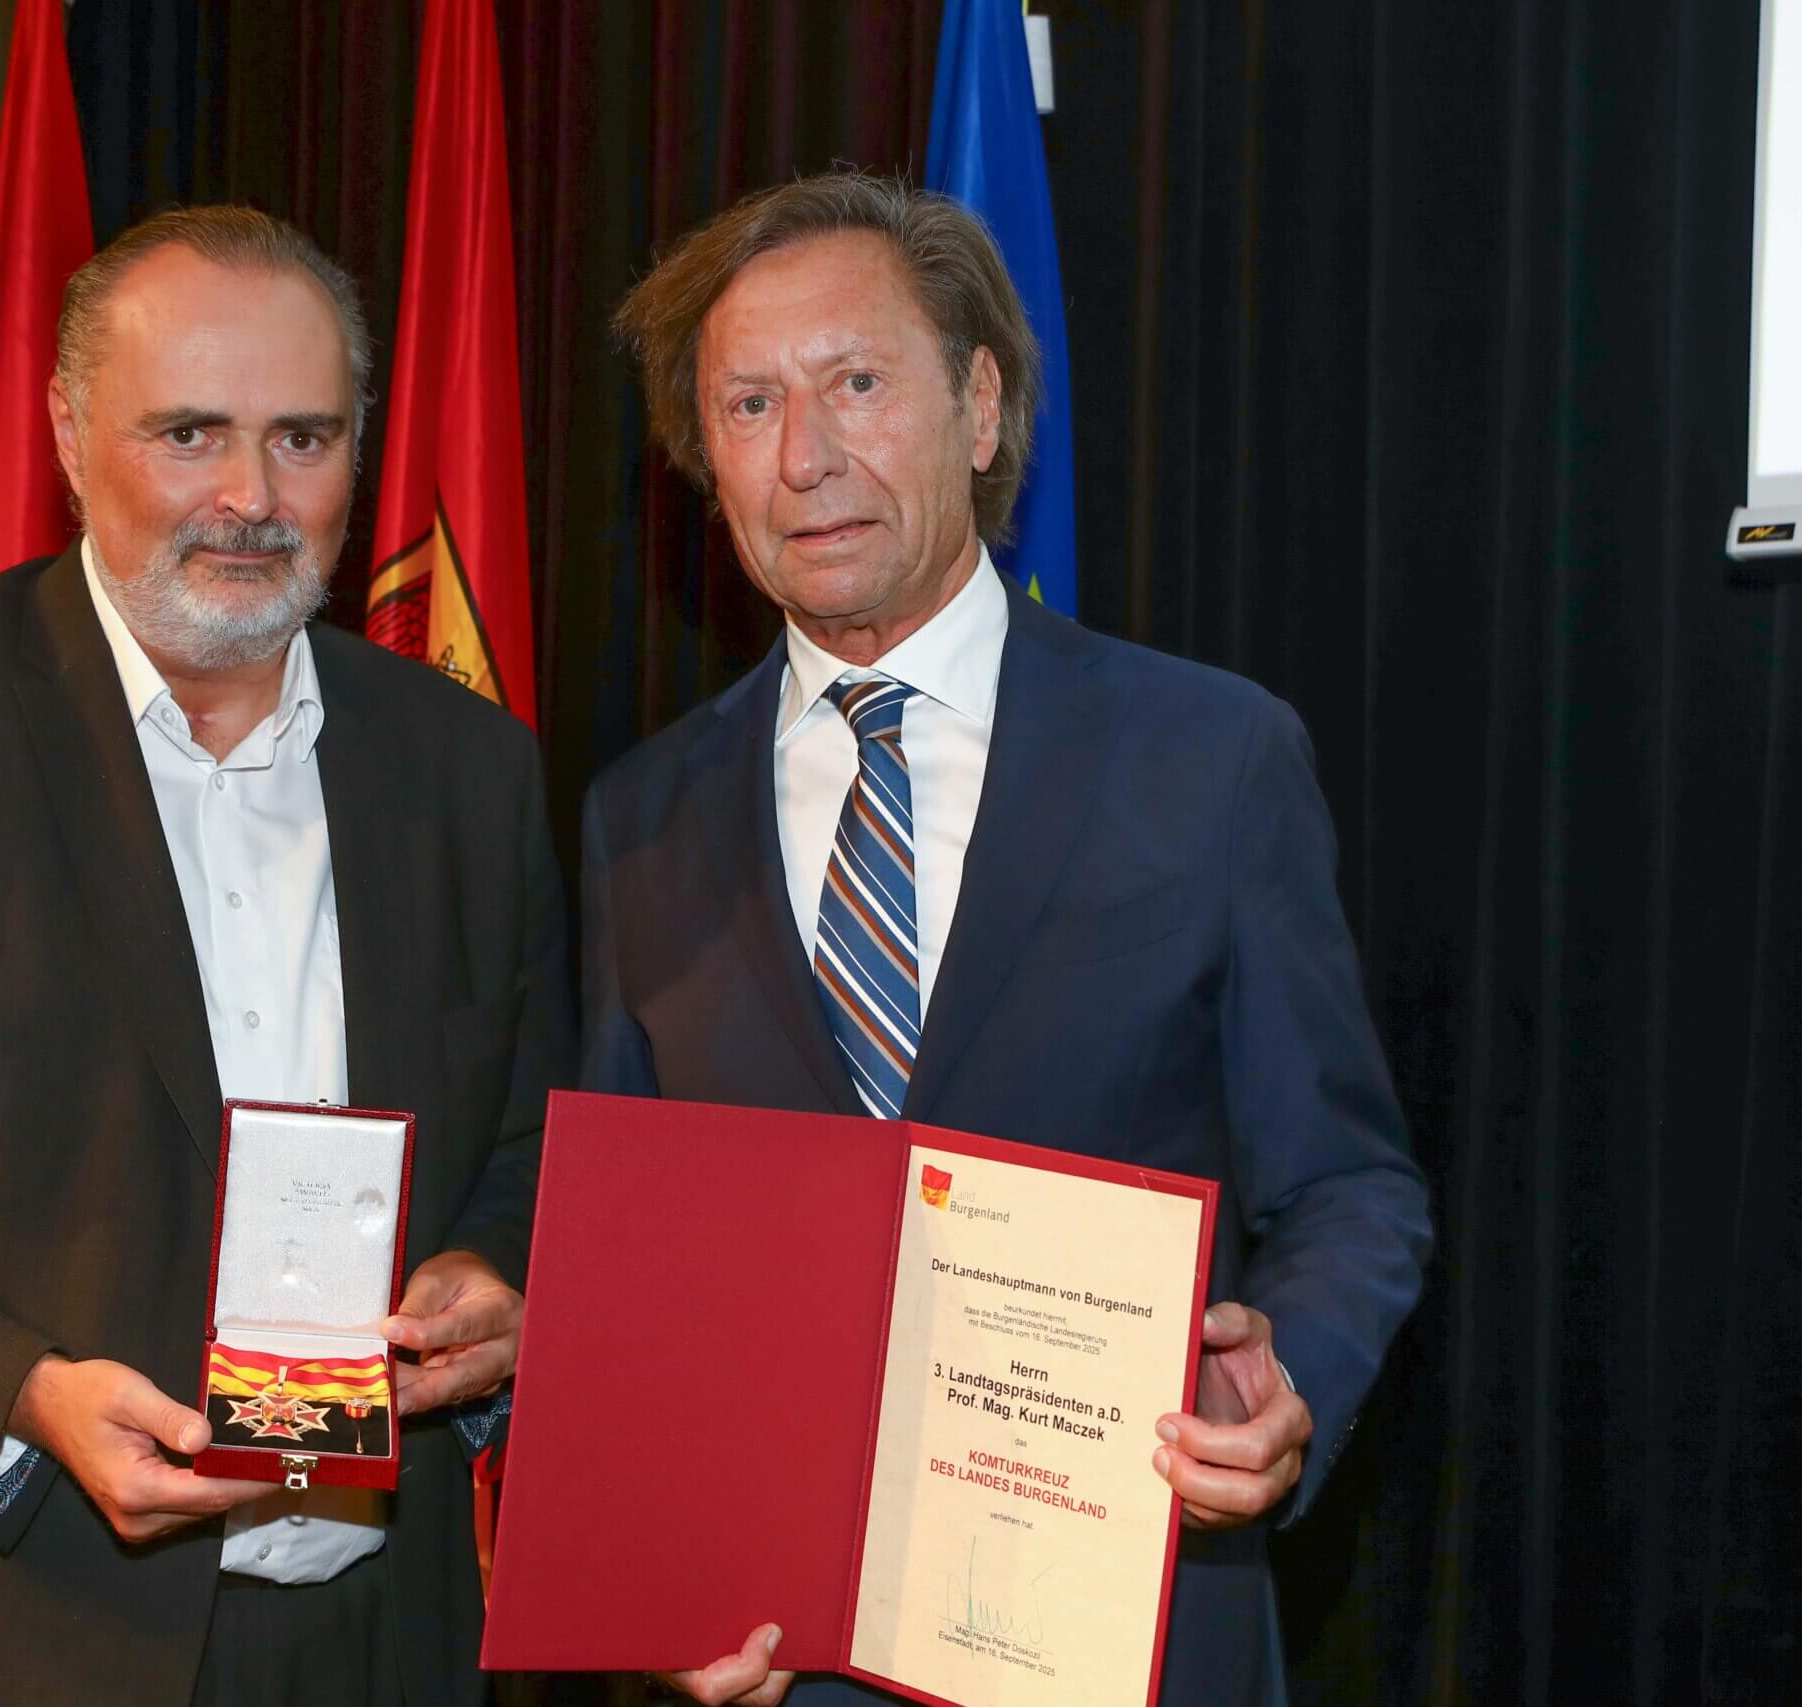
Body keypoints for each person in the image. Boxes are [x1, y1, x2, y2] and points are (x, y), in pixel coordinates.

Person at [0, 206, 569, 1707]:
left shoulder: (471, 771)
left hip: (369, 1649)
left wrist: (493, 1275)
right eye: (189, 433)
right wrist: (21, 1401)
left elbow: (529, 1139)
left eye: (305, 439)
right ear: (69, 432)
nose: (252, 497)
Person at [582, 170, 1431, 1707]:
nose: (809, 456)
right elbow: (623, 1258)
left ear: (979, 408)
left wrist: (1287, 1371)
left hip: (1137, 1627)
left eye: (856, 383)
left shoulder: (1211, 757)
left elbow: (1352, 1184)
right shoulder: (638, 819)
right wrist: (655, 1566)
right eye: (750, 404)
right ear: (704, 462)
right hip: (786, 1660)